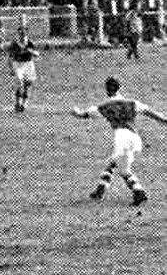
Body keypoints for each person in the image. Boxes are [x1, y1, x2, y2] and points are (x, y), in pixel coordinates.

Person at [71, 76, 167, 206]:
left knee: (118, 165)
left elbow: (83, 115)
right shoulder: (132, 103)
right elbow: (152, 114)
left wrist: (75, 111)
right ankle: (132, 192)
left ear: (106, 90)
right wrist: (165, 121)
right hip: (134, 138)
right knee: (120, 167)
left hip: (121, 136)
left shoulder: (104, 106)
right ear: (119, 88)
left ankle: (106, 191)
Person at [6, 27, 40, 113]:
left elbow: (37, 54)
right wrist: (11, 68)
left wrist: (30, 51)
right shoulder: (14, 44)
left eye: (24, 34)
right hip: (18, 64)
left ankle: (24, 104)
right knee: (19, 82)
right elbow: (9, 57)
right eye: (20, 34)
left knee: (27, 85)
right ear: (18, 34)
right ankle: (17, 103)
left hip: (28, 64)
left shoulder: (29, 43)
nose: (22, 35)